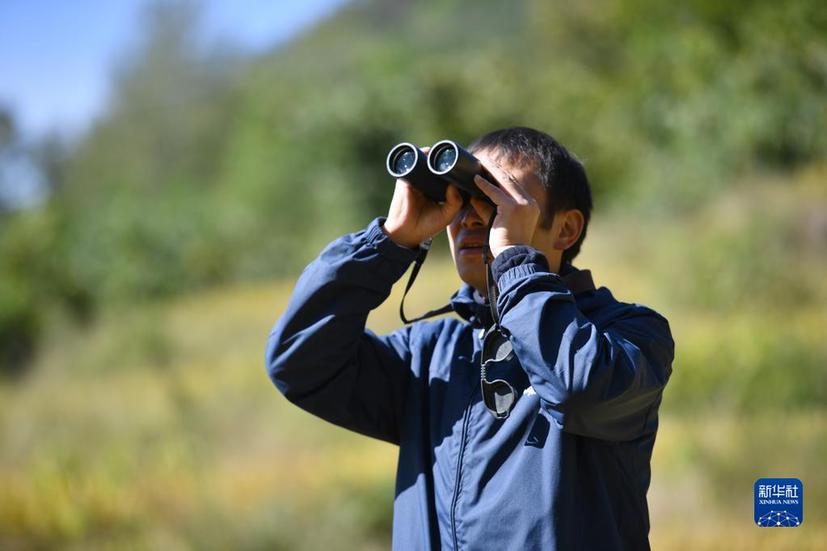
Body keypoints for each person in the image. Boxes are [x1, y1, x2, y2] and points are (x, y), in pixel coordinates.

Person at [265, 127, 674, 550]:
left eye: (497, 200)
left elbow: (577, 388)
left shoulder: (628, 335)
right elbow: (298, 362)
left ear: (566, 230)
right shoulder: (429, 355)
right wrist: (389, 241)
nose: (472, 217)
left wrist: (514, 262)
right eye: (461, 197)